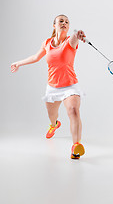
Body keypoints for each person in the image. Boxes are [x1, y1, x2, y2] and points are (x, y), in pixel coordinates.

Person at [11, 14, 86, 159]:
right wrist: (18, 63)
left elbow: (76, 37)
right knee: (52, 116)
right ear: (54, 25)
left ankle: (76, 146)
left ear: (69, 26)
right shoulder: (47, 42)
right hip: (52, 87)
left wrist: (79, 34)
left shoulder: (70, 41)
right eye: (61, 21)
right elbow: (35, 57)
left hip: (70, 86)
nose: (64, 23)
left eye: (67, 22)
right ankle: (54, 125)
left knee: (73, 111)